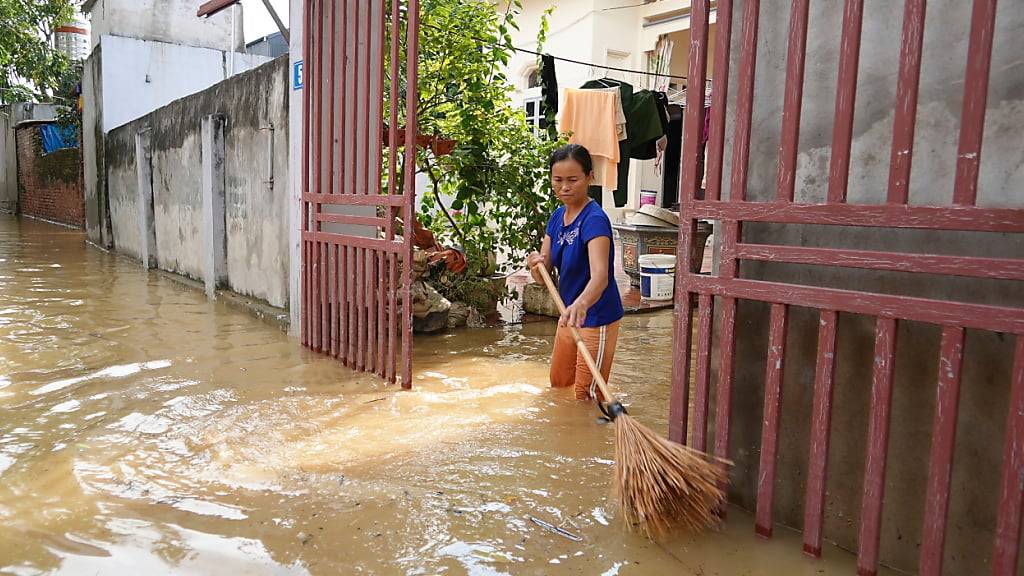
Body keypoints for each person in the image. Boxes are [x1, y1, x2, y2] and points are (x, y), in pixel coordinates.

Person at [526, 144, 624, 401]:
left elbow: (601, 275)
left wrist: (581, 303)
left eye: (573, 180)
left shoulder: (594, 219)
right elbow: (543, 275)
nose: (565, 187)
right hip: (569, 314)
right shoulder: (557, 217)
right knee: (558, 385)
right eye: (558, 180)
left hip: (596, 316)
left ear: (590, 177)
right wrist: (536, 264)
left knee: (587, 397)